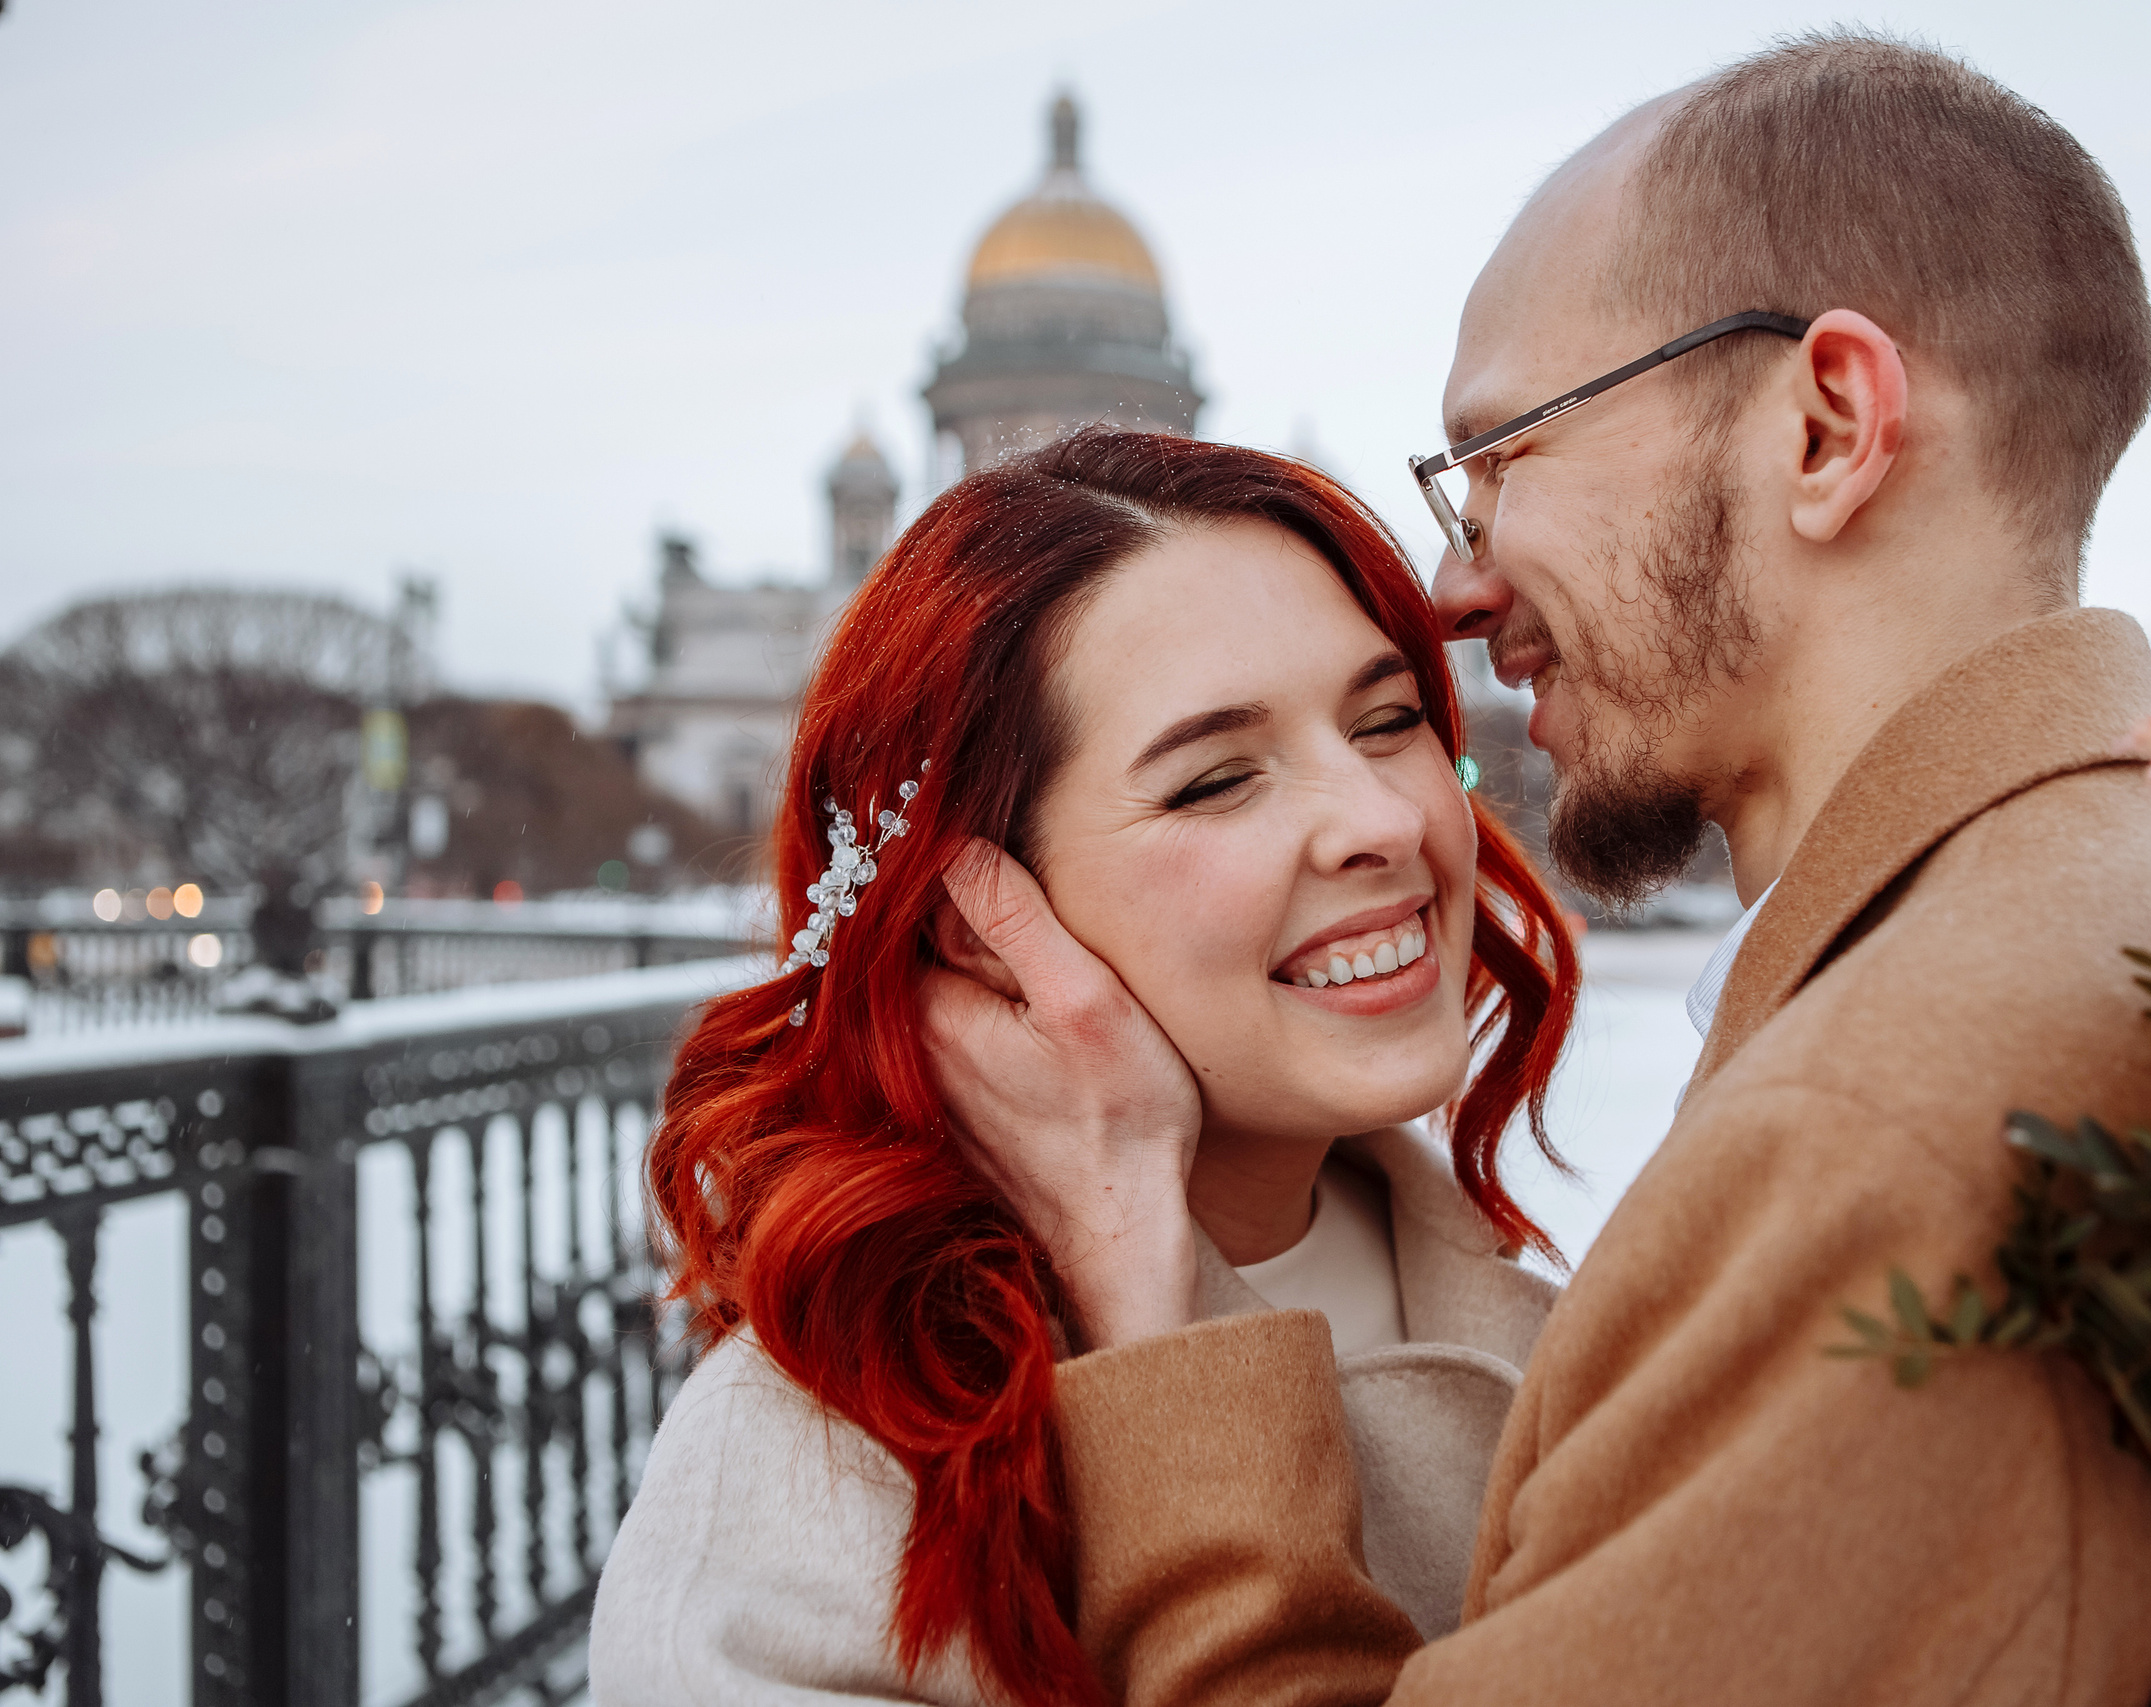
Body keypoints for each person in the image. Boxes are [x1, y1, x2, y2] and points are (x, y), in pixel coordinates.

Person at [922, 32, 2151, 1707]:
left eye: (1500, 463)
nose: (1452, 593)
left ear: (1830, 428)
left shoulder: (1886, 1117)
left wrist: (1162, 1342)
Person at [587, 430, 1582, 1707]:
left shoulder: (1576, 1330)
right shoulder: (813, 1480)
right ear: (976, 922)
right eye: (1216, 780)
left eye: (1387, 721)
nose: (1388, 821)